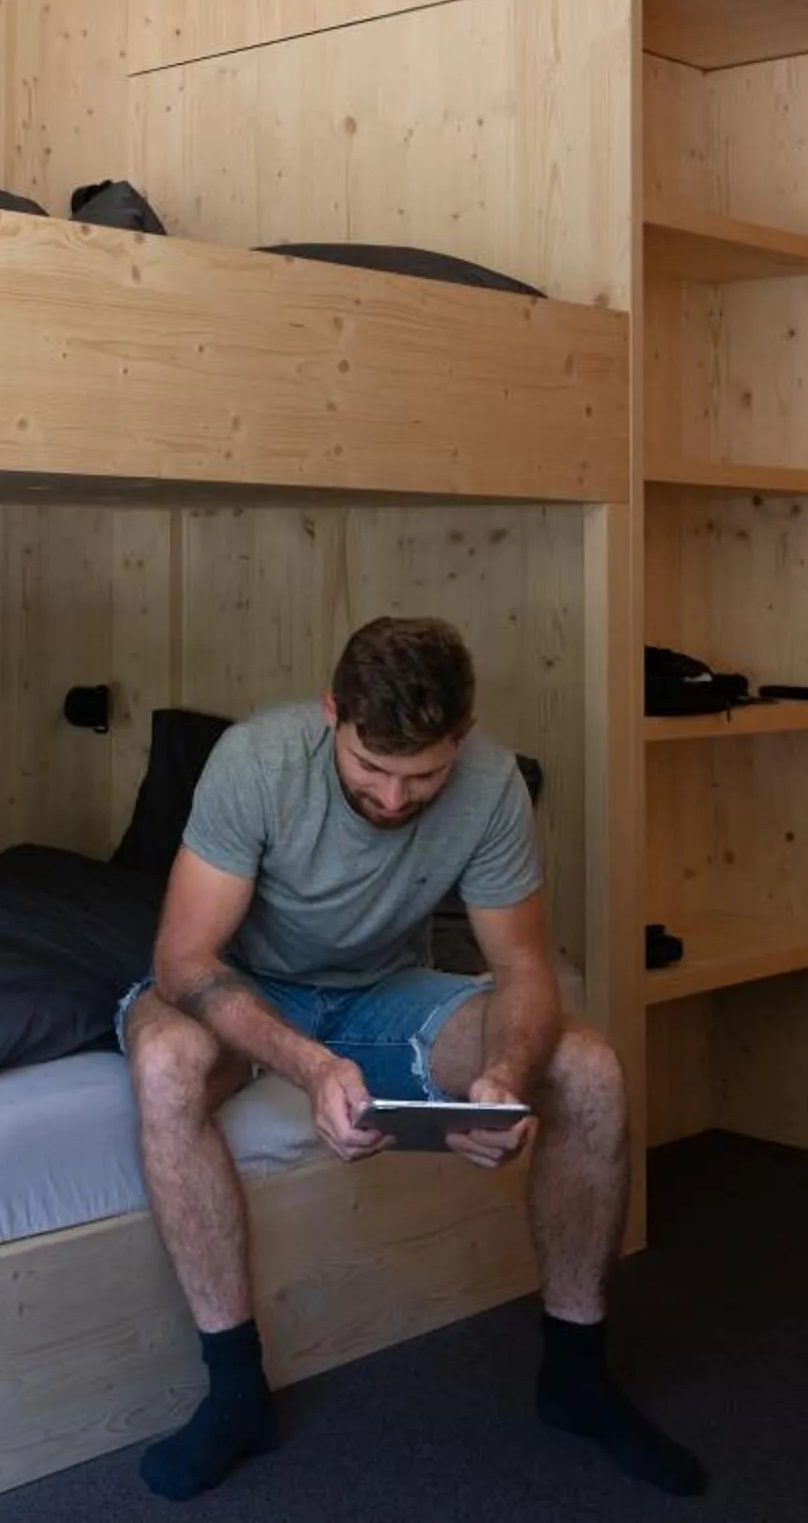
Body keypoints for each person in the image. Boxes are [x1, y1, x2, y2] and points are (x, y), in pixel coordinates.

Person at [117, 617, 703, 1502]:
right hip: (246, 990)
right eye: (371, 770)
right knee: (164, 1061)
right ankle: (236, 1393)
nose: (393, 800)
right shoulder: (254, 760)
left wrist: (505, 1073)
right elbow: (184, 961)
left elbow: (524, 971)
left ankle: (576, 1375)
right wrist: (310, 1066)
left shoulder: (492, 783)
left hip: (375, 993)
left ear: (459, 740)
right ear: (331, 716)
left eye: (421, 775)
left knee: (587, 1068)